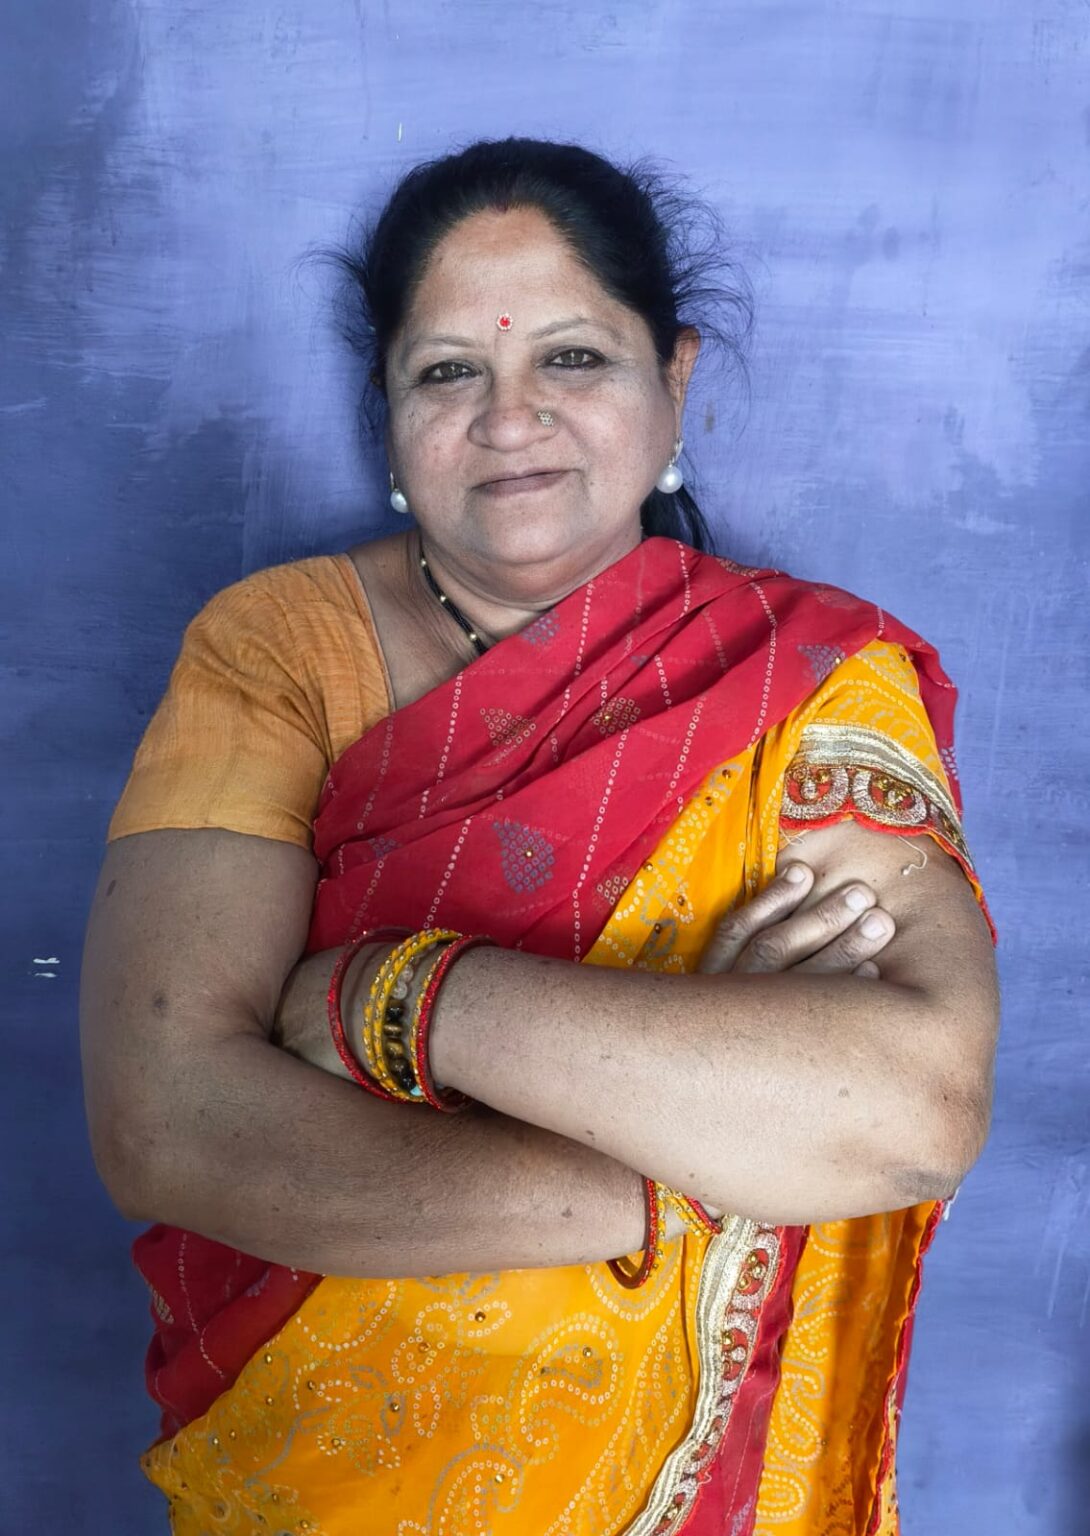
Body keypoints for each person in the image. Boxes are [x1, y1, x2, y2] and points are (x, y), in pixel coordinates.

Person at [79, 138, 998, 1536]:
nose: (510, 420)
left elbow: (910, 1113)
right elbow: (169, 1123)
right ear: (388, 410)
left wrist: (388, 1000)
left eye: (571, 358)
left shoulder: (806, 680)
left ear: (673, 379)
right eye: (449, 371)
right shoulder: (281, 650)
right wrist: (712, 1156)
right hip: (329, 1474)